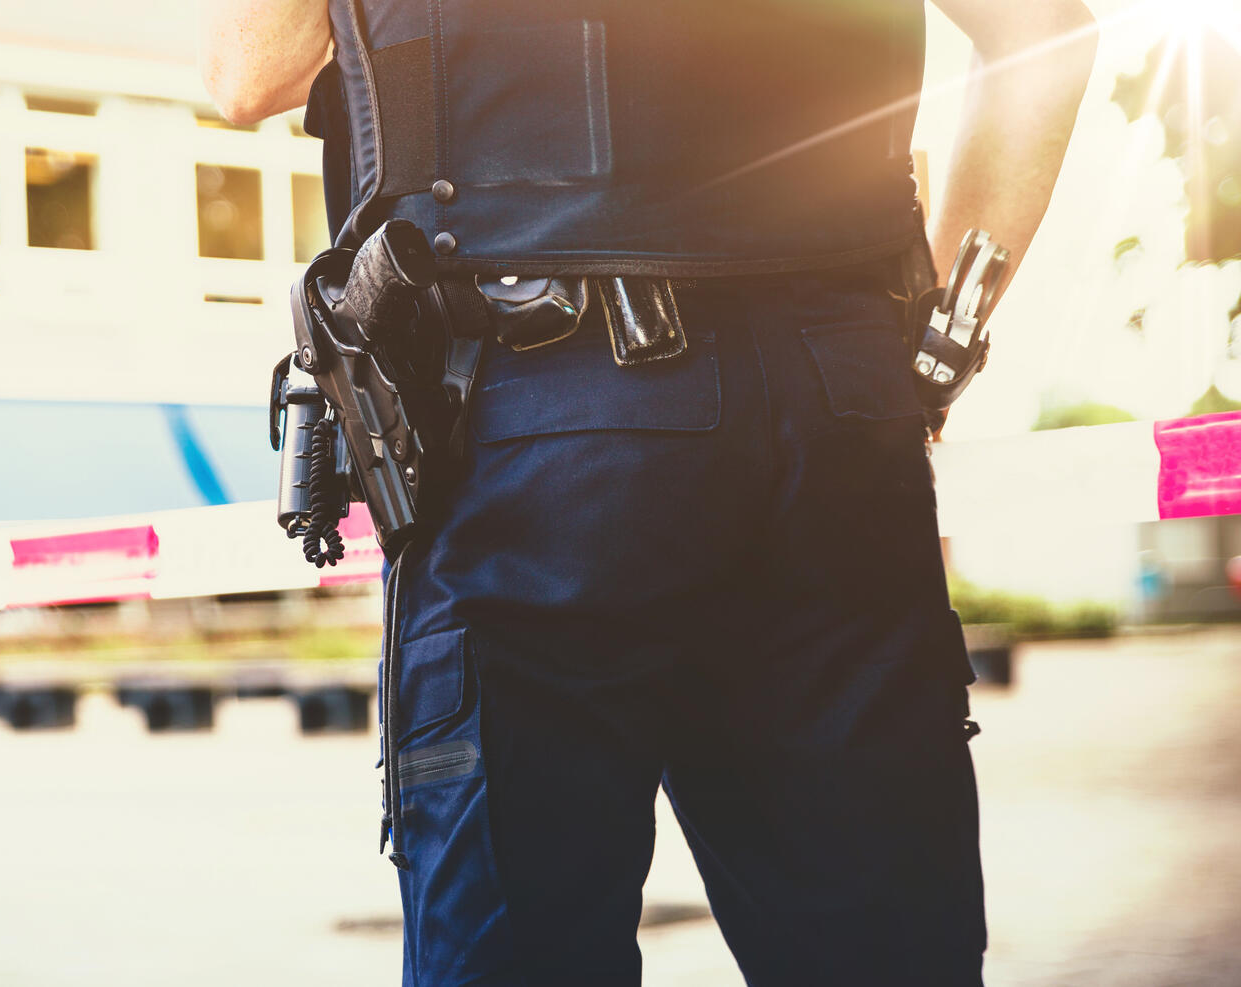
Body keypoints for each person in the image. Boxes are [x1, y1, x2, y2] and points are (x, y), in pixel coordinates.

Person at [200, 2, 1097, 984]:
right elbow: (1042, 35)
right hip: (835, 405)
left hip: (537, 416)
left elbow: (250, 73)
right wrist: (932, 341)